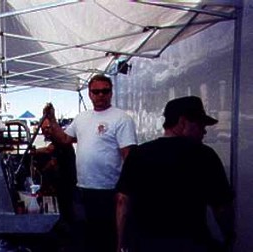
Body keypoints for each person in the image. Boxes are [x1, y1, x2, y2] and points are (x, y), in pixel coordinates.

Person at [115, 96, 235, 252]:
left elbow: (122, 202)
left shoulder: (138, 154)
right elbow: (222, 208)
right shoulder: (204, 155)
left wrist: (120, 245)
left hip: (145, 243)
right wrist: (229, 237)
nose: (204, 131)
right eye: (200, 124)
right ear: (183, 122)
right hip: (191, 244)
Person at [43, 74, 137, 252]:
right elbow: (64, 139)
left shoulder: (121, 119)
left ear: (111, 92)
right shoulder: (81, 118)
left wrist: (125, 192)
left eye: (105, 91)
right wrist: (53, 121)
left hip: (109, 191)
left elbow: (130, 158)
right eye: (96, 91)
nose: (100, 95)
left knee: (106, 239)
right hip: (82, 189)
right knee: (85, 237)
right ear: (90, 94)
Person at [34, 117, 77, 250]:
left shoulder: (59, 139)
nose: (45, 130)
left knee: (65, 211)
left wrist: (31, 153)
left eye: (48, 127)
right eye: (43, 128)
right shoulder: (55, 140)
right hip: (65, 179)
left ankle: (67, 243)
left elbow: (50, 153)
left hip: (66, 180)